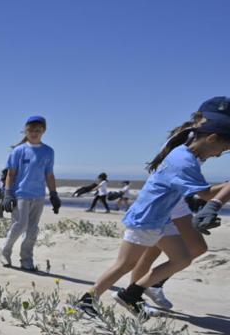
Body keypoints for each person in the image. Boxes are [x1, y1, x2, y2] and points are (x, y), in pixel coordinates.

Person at [77, 97, 230, 317]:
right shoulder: (184, 161)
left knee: (183, 258)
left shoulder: (185, 152)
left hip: (163, 217)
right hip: (147, 218)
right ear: (211, 138)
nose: (219, 154)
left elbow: (203, 193)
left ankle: (131, 293)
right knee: (125, 263)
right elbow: (205, 194)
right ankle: (87, 300)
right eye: (222, 149)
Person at [0, 116, 61, 271]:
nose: (34, 133)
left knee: (33, 229)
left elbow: (49, 175)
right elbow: (11, 174)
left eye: (38, 130)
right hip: (20, 193)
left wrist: (54, 194)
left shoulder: (48, 152)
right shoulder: (19, 151)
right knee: (19, 225)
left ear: (44, 131)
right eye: (31, 130)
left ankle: (26, 259)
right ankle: (5, 251)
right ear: (26, 131)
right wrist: (7, 194)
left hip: (39, 195)